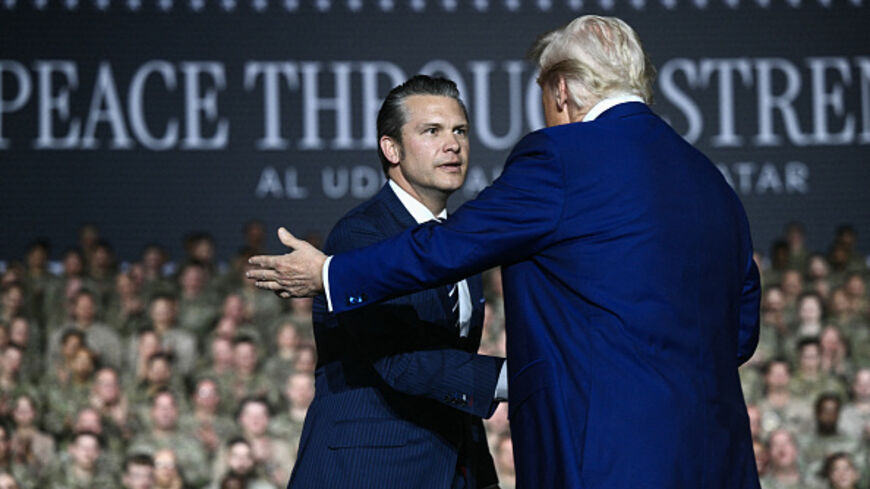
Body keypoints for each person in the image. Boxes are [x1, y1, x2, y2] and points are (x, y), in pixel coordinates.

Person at [248, 15, 761, 489]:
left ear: (560, 88)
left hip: (605, 455)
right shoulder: (711, 182)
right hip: (718, 455)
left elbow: (452, 246)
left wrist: (332, 276)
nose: (452, 143)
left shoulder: (562, 156)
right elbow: (740, 334)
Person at [285, 75, 505, 488]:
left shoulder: (456, 242)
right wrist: (514, 378)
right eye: (432, 131)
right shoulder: (362, 236)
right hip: (368, 471)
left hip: (450, 466)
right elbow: (401, 361)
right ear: (391, 148)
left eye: (460, 130)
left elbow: (448, 362)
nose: (453, 144)